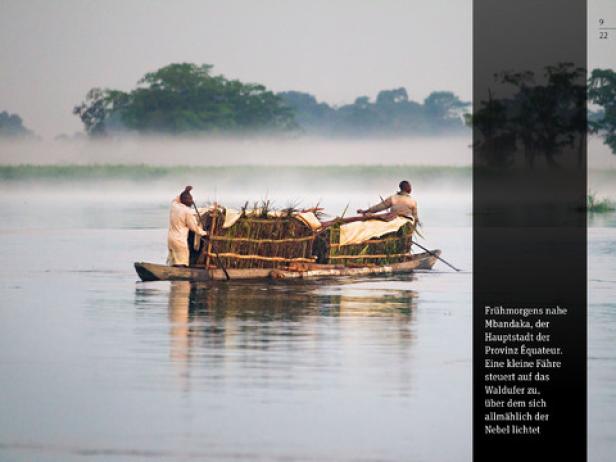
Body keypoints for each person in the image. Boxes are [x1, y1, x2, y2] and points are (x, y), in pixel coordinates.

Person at [167, 186, 208, 267]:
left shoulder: (174, 205)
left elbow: (178, 198)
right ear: (185, 201)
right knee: (182, 262)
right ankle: (181, 276)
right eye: (190, 200)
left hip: (170, 239)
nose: (192, 202)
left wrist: (186, 191)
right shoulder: (187, 212)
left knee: (174, 261)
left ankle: (172, 275)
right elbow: (194, 227)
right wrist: (205, 233)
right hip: (180, 241)